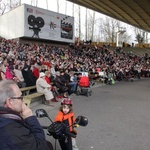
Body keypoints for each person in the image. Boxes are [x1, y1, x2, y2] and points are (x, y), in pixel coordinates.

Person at [0, 80, 52, 150]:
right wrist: (30, 118)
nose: (23, 101)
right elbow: (41, 147)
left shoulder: (6, 118)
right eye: (20, 97)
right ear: (10, 102)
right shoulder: (12, 130)